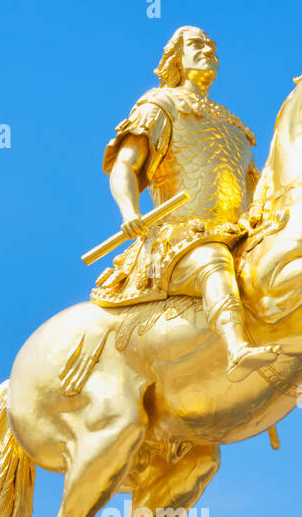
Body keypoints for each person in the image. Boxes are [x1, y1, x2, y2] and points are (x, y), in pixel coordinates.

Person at [92, 25, 279, 380]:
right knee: (212, 258)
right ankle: (236, 347)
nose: (207, 50)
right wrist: (131, 212)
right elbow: (124, 166)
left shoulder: (235, 126)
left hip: (235, 233)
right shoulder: (159, 105)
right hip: (178, 239)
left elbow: (255, 191)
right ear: (176, 58)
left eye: (212, 46)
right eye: (196, 44)